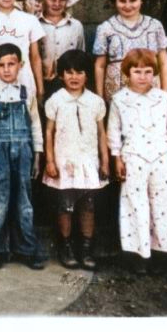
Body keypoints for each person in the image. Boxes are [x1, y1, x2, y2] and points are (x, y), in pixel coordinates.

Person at [108, 48, 167, 275]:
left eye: (148, 72)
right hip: (133, 157)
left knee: (164, 204)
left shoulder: (162, 98)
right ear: (127, 74)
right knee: (135, 204)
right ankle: (139, 255)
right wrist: (117, 158)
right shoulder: (120, 100)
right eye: (137, 71)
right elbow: (113, 131)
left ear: (155, 73)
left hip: (160, 156)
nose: (143, 77)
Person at [0, 43, 45, 270]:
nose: (6, 70)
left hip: (23, 150)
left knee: (25, 202)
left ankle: (26, 249)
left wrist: (37, 155)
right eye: (1, 65)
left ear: (20, 65)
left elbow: (35, 124)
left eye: (11, 64)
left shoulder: (28, 92)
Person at [42, 50, 109, 271]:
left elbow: (101, 133)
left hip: (88, 162)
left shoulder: (95, 102)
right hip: (64, 162)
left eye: (79, 72)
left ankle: (87, 248)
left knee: (88, 206)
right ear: (61, 75)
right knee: (65, 206)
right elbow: (49, 132)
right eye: (69, 72)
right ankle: (66, 246)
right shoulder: (56, 100)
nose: (74, 77)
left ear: (86, 75)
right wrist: (50, 161)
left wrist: (105, 161)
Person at [93, 0, 167, 103]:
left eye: (133, 1)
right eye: (122, 1)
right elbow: (100, 65)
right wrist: (99, 98)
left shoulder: (155, 26)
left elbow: (164, 62)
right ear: (115, 1)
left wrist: (165, 94)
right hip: (117, 94)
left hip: (151, 93)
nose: (128, 6)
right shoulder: (105, 28)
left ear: (142, 0)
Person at [37, 0, 85, 101]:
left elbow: (81, 58)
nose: (57, 4)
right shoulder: (34, 24)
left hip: (69, 86)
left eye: (62, 0)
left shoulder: (76, 26)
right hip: (42, 84)